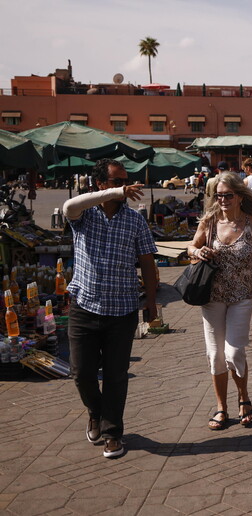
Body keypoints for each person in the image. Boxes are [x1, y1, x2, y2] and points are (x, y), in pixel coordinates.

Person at [63, 158, 158, 459]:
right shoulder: (84, 215)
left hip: (123, 308)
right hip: (84, 306)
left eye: (124, 181)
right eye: (116, 181)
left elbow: (147, 261)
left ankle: (112, 433)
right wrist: (112, 194)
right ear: (100, 185)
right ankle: (95, 411)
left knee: (116, 375)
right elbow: (68, 208)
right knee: (81, 373)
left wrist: (152, 302)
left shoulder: (135, 220)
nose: (124, 186)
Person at [188, 172, 252, 431]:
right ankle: (222, 407)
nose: (222, 200)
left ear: (240, 197)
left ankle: (244, 397)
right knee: (215, 356)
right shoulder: (209, 222)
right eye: (218, 195)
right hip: (212, 297)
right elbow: (190, 247)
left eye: (228, 195)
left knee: (233, 352)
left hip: (242, 297)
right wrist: (198, 251)